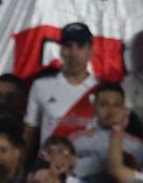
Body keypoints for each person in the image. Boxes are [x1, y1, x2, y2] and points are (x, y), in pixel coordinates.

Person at [25, 22, 99, 150]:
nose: (73, 53)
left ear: (91, 52)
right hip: (49, 166)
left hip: (91, 167)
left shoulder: (101, 90)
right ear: (61, 50)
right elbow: (30, 133)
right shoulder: (41, 86)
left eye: (80, 46)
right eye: (68, 46)